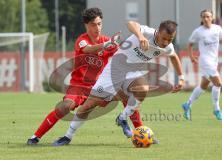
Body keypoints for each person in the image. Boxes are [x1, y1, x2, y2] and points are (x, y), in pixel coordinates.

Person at [53, 20, 184, 145]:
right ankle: (67, 136)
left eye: (170, 39)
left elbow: (174, 57)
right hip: (114, 69)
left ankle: (122, 118)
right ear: (158, 32)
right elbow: (131, 23)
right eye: (164, 38)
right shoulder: (147, 33)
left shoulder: (168, 47)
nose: (166, 42)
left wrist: (181, 77)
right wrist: (140, 37)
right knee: (89, 105)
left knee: (143, 88)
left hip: (132, 73)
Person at [26, 7, 144, 145]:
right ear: (86, 25)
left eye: (99, 24)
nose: (97, 27)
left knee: (127, 94)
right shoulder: (82, 40)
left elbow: (122, 56)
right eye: (93, 24)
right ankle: (36, 136)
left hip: (99, 86)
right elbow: (88, 49)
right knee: (64, 107)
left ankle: (140, 132)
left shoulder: (108, 41)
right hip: (78, 86)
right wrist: (107, 44)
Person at [182, 9, 222, 120]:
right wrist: (191, 57)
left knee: (203, 86)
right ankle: (216, 109)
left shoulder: (217, 29)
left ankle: (187, 104)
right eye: (203, 17)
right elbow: (190, 44)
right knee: (218, 83)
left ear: (212, 18)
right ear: (201, 19)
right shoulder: (198, 31)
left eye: (208, 16)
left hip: (213, 61)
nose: (206, 18)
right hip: (205, 61)